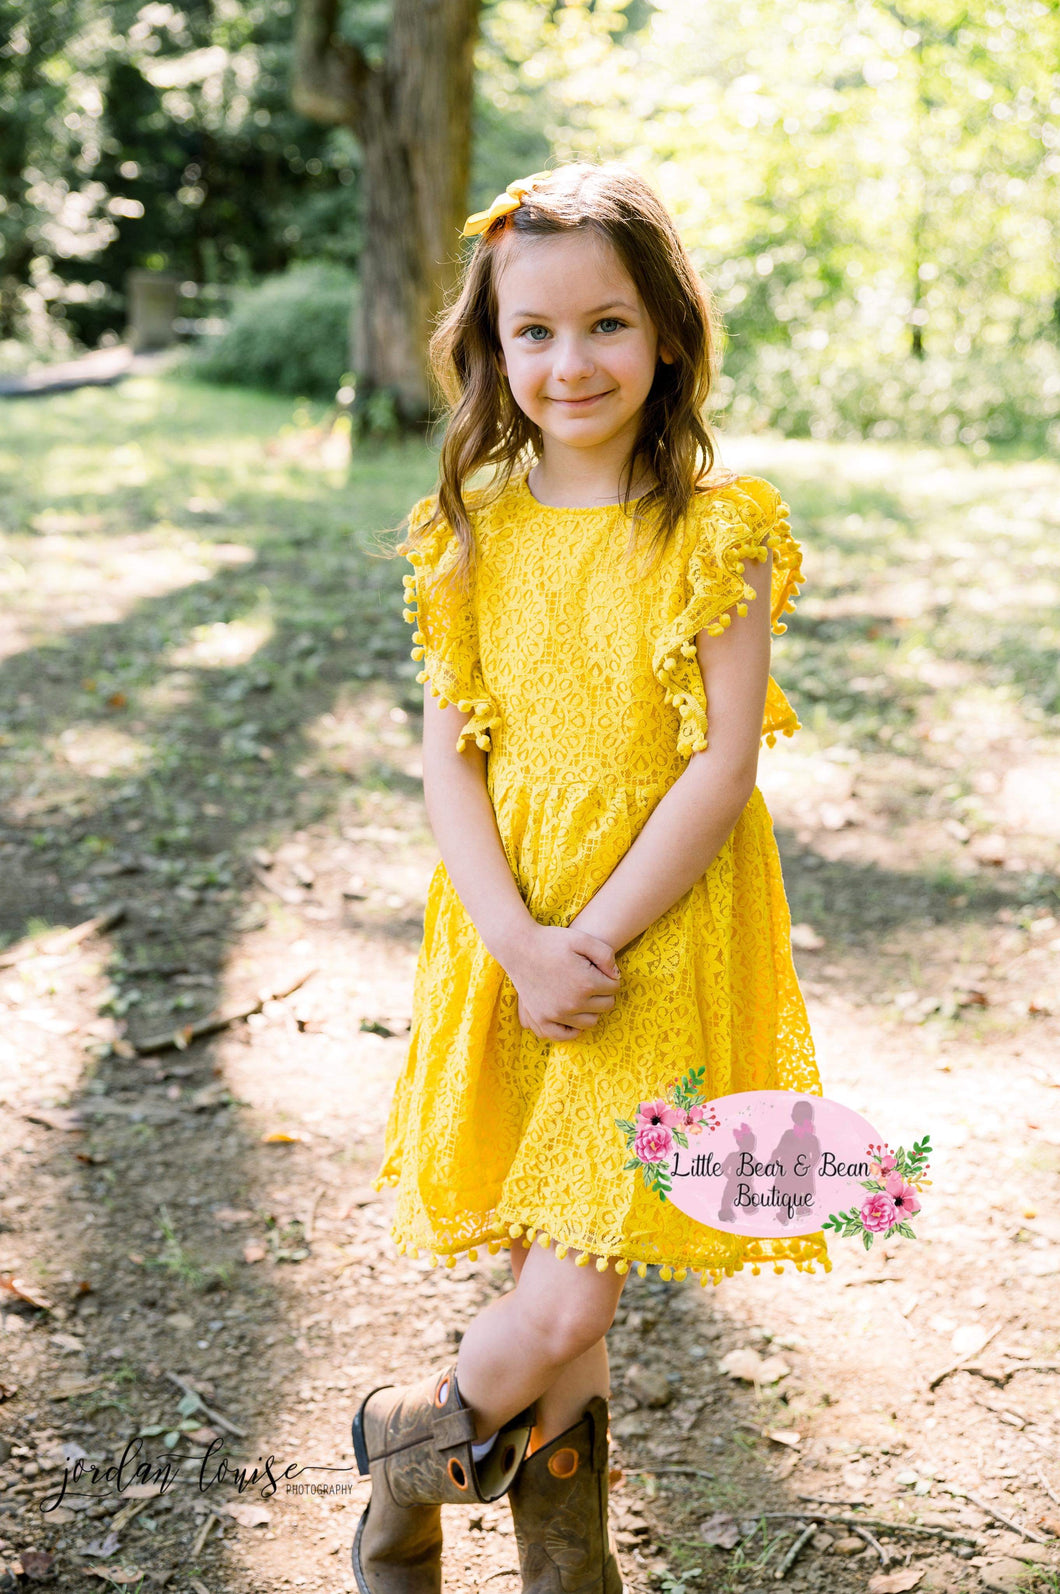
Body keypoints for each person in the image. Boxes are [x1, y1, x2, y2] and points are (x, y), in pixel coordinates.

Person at [350, 160, 831, 1594]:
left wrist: (590, 939)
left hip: (653, 935)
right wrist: (515, 935)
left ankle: (403, 1441)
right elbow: (451, 758)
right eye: (534, 332)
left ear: (670, 331)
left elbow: (722, 764)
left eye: (607, 324)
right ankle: (569, 1559)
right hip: (510, 919)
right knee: (567, 1260)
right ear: (492, 347)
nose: (571, 361)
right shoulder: (471, 528)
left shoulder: (716, 525)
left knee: (574, 1272)